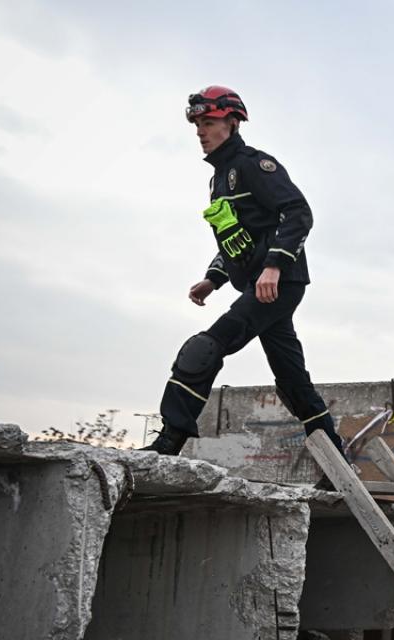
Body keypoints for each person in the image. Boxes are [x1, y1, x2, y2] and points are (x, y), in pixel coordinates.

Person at [142, 86, 343, 458]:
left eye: (208, 123)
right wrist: (213, 278)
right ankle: (336, 462)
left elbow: (298, 213)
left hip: (279, 283)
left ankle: (169, 441)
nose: (200, 131)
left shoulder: (253, 164)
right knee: (292, 380)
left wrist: (274, 266)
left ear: (232, 123)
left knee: (205, 347)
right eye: (197, 124)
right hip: (258, 284)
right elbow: (236, 237)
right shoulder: (218, 179)